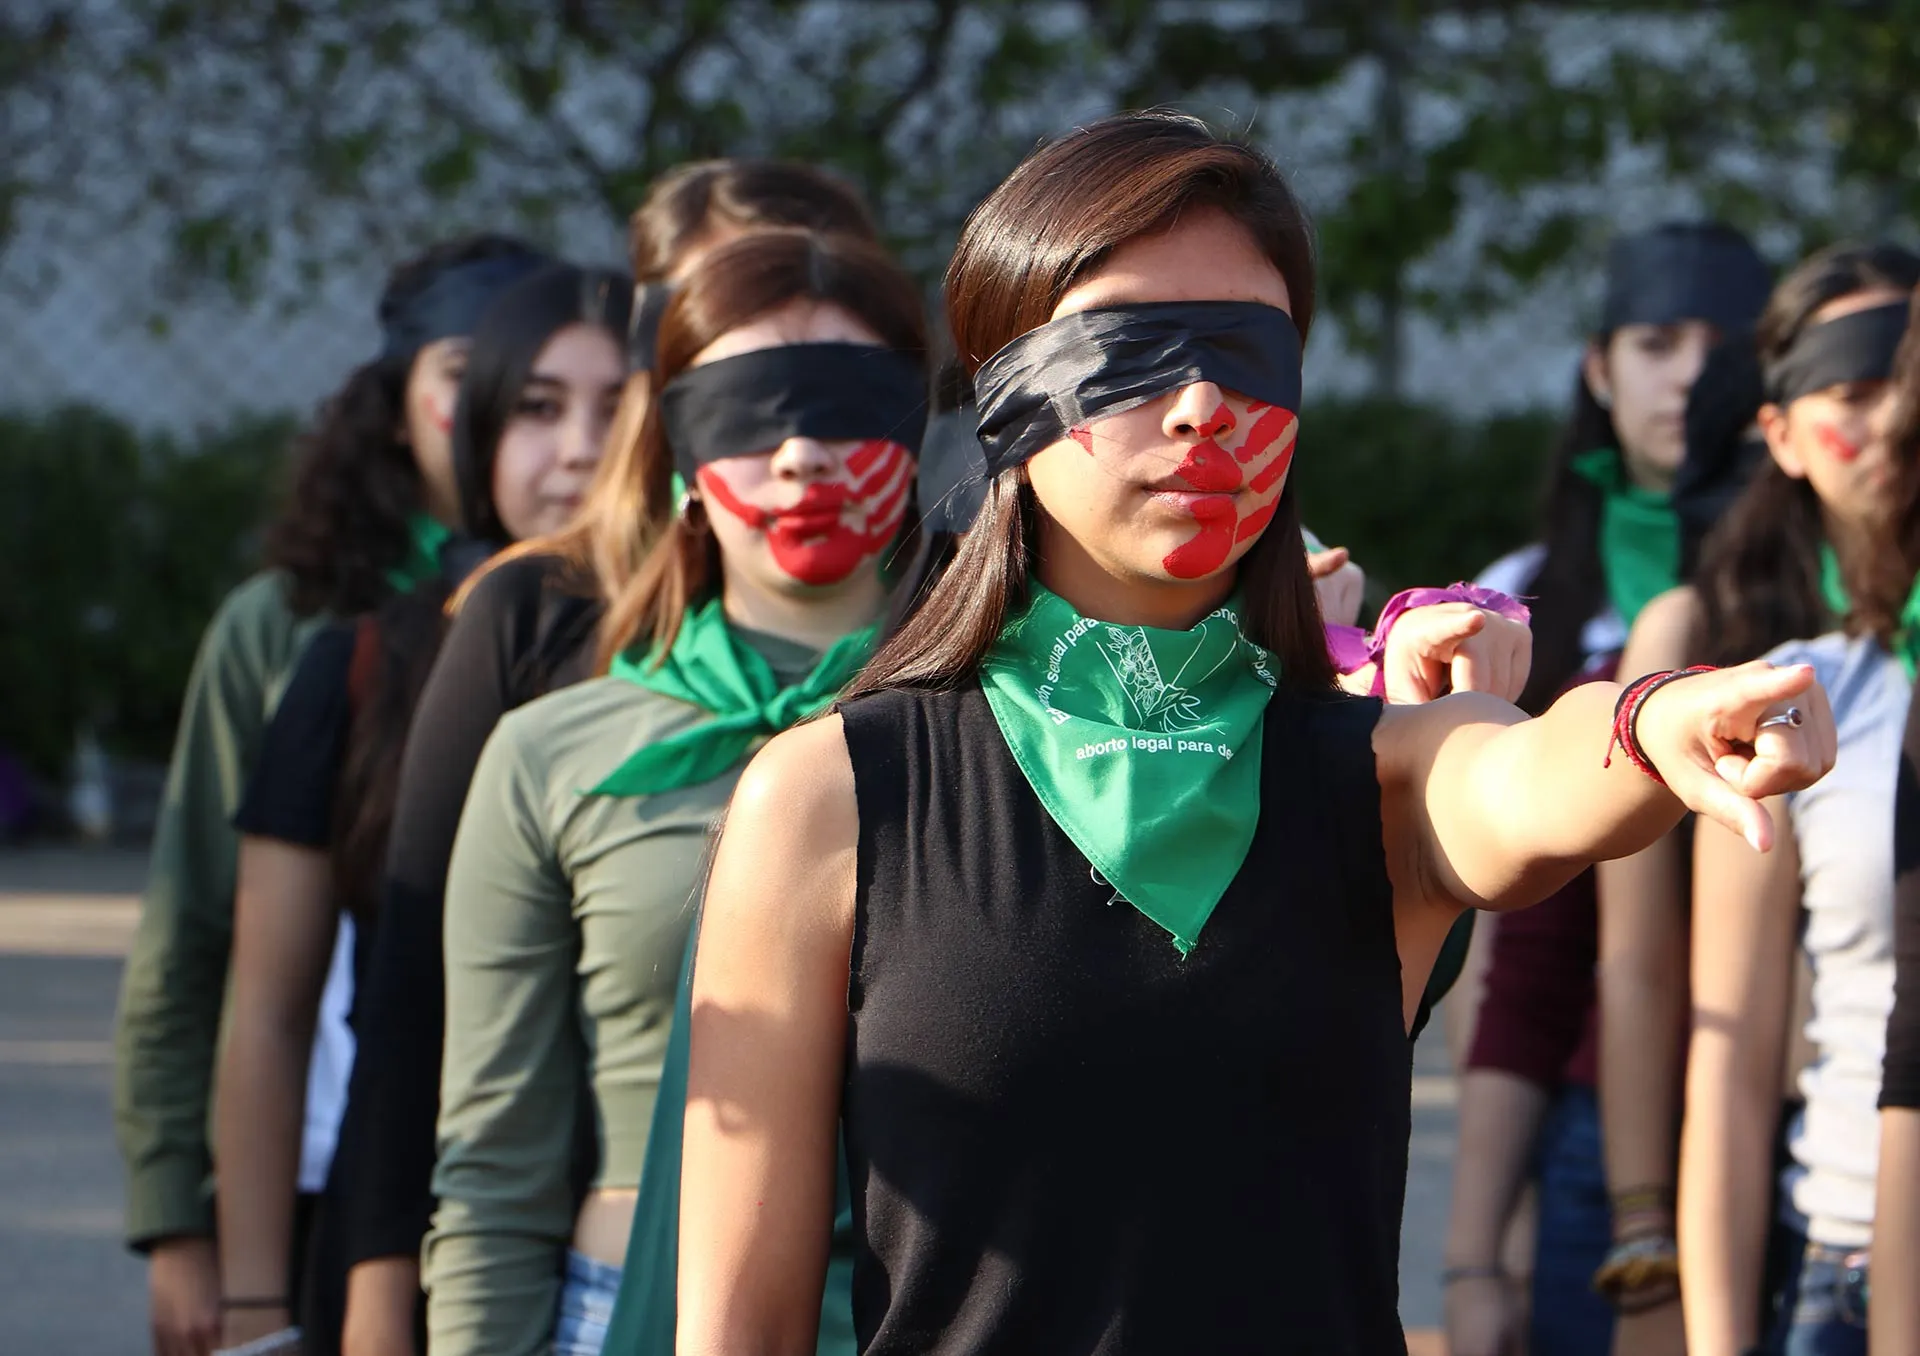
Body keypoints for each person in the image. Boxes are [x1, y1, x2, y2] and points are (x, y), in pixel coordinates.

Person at [670, 111, 1833, 1356]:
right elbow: (740, 1322)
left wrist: (1656, 720)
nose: (1202, 407)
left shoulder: (1375, 770)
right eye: (1132, 351)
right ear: (1008, 394)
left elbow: (1522, 778)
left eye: (1245, 353)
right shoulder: (833, 795)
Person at [329, 160, 883, 1356]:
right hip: (611, 1307)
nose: (801, 456)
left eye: (845, 397)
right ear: (674, 434)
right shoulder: (547, 742)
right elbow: (488, 1155)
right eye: (748, 404)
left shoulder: (1010, 726)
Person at [110, 232, 547, 1356]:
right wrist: (180, 1221)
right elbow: (197, 933)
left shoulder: (627, 626)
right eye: (465, 374)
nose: (498, 411)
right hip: (320, 1183)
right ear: (398, 405)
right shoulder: (293, 630)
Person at [212, 262, 630, 1356]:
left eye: (621, 404)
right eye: (538, 408)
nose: (582, 447)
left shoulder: (730, 677)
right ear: (474, 434)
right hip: (397, 1235)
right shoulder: (353, 666)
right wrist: (254, 1299)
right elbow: (268, 1009)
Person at [1442, 220, 1772, 1356]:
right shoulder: (1516, 609)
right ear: (1600, 368)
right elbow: (1505, 957)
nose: (1689, 374)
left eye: (1722, 347)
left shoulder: (1830, 602)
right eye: (1656, 341)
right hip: (1592, 1125)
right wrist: (1481, 1244)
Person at [1678, 264, 1920, 1356]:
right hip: (1848, 1264)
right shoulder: (1797, 693)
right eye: (1854, 391)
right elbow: (1726, 1061)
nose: (1892, 423)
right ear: (1778, 433)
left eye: (1906, 384)